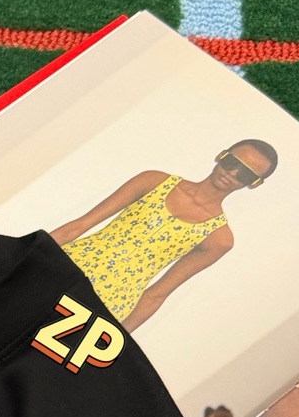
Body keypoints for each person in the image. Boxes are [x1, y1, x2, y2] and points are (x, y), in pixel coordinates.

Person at [49, 140, 278, 329]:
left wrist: (117, 341)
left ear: (254, 184)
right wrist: (30, 253)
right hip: (62, 268)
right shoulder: (153, 181)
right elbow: (80, 225)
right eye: (232, 162)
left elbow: (157, 294)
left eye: (245, 175)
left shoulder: (219, 239)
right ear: (221, 156)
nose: (233, 173)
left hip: (107, 303)